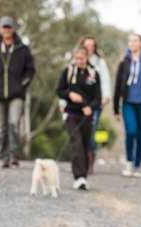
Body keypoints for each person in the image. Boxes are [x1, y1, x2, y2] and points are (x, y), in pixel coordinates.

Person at [0, 16, 35, 168]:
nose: (6, 30)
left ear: (13, 29)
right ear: (0, 29)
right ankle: (4, 156)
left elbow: (30, 70)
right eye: (4, 27)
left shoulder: (22, 49)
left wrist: (22, 84)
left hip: (16, 94)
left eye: (9, 27)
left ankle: (14, 154)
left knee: (13, 123)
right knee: (0, 127)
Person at [113, 33, 141, 178]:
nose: (132, 43)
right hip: (128, 103)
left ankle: (137, 165)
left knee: (140, 135)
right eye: (130, 41)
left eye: (135, 41)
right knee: (131, 131)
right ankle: (128, 161)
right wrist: (116, 109)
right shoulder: (124, 62)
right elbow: (117, 86)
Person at [56, 46, 101, 190]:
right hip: (71, 114)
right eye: (77, 59)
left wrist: (90, 107)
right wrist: (69, 94)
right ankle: (79, 177)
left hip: (87, 116)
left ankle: (84, 176)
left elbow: (97, 97)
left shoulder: (94, 74)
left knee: (86, 145)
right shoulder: (68, 71)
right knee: (77, 145)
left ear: (87, 57)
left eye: (82, 59)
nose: (79, 61)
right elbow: (59, 90)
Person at [77, 36, 111, 175]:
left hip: (95, 102)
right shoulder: (77, 59)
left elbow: (105, 79)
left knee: (91, 131)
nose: (90, 47)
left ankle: (90, 159)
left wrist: (106, 96)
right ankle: (79, 160)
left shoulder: (100, 62)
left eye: (92, 45)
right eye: (87, 45)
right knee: (78, 132)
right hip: (78, 103)